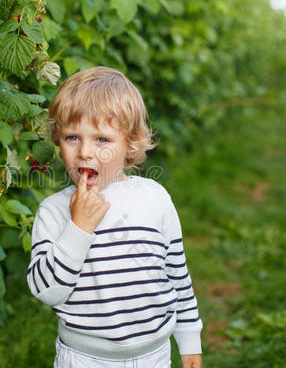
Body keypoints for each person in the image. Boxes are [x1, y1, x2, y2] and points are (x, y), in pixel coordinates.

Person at [27, 67, 203, 368]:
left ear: (130, 145)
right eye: (72, 137)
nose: (84, 151)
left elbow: (176, 273)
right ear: (58, 142)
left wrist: (189, 341)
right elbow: (47, 291)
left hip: (153, 355)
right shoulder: (55, 212)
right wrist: (78, 227)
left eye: (102, 140)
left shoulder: (154, 199)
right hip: (83, 358)